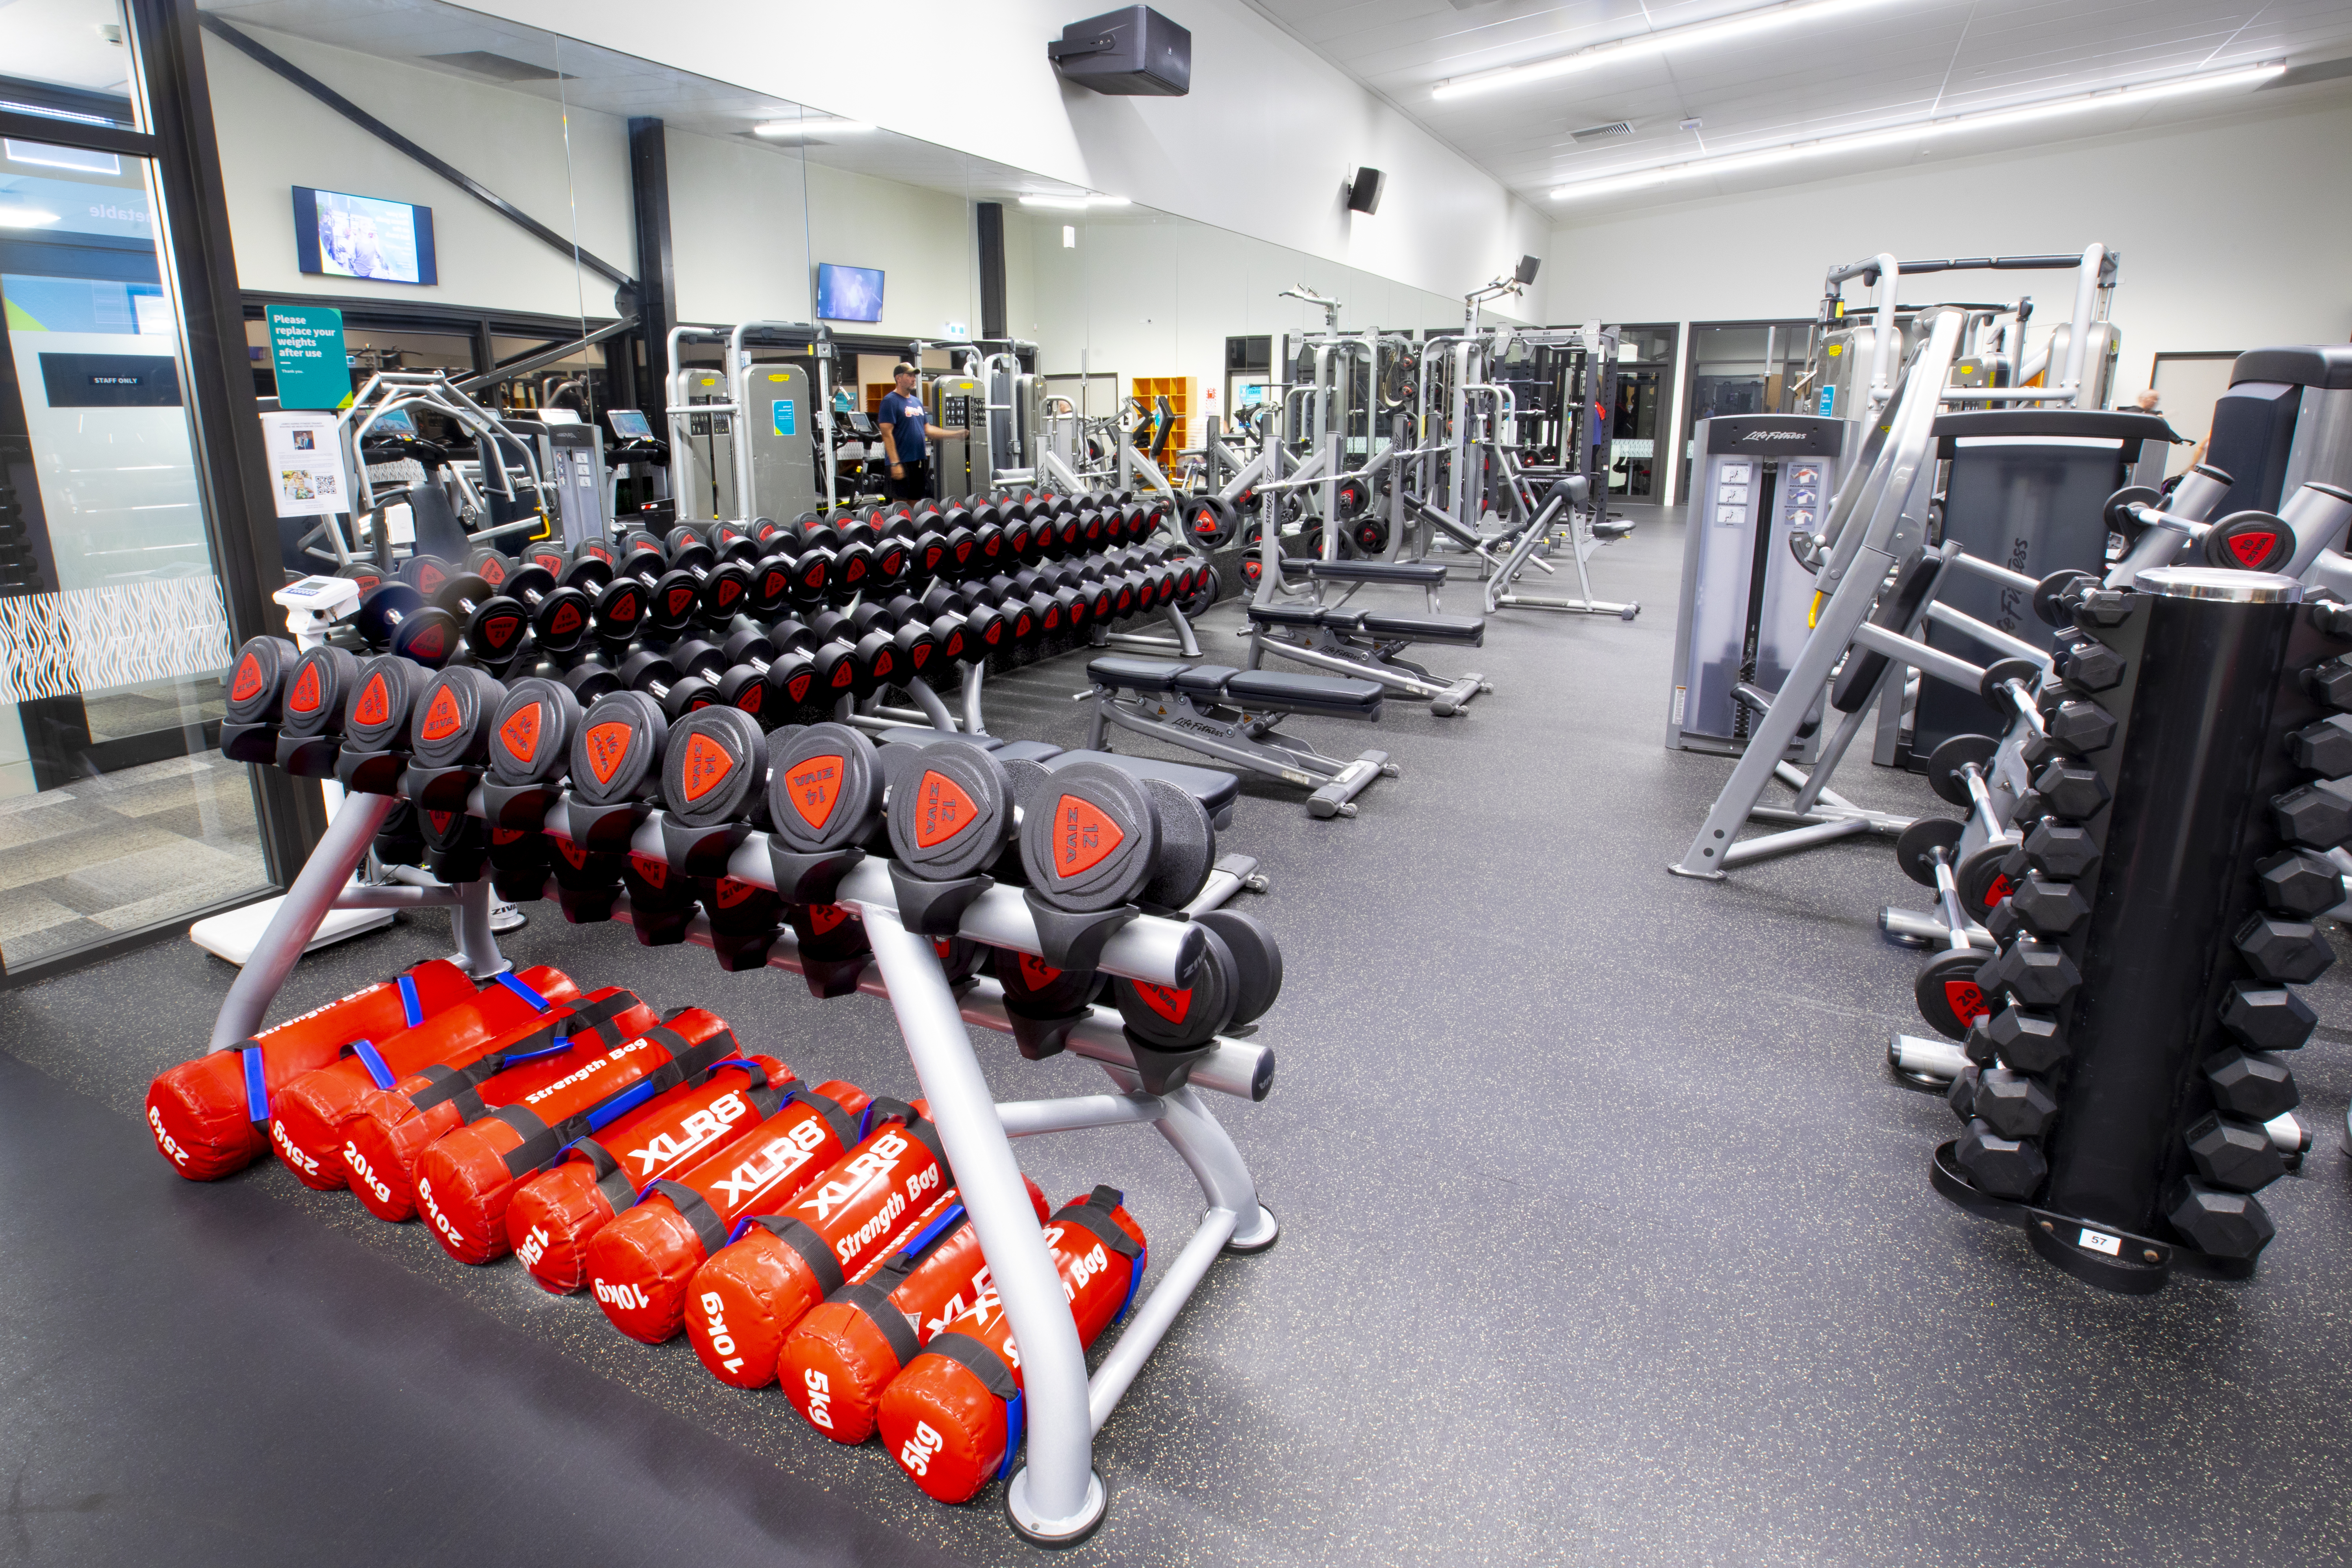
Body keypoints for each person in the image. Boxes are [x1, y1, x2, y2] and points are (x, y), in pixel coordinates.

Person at [878, 363, 965, 501]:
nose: (914, 379)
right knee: (901, 505)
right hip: (901, 462)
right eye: (909, 376)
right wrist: (895, 463)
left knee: (916, 503)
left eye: (914, 376)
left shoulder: (917, 402)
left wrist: (955, 435)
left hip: (918, 461)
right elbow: (887, 434)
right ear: (898, 379)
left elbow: (927, 429)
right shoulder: (890, 401)